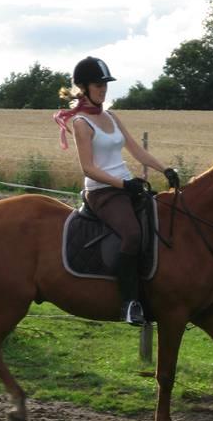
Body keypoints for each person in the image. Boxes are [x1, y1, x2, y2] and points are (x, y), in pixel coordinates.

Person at [54, 56, 180, 326]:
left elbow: (136, 151)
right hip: (102, 192)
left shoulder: (111, 116)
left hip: (125, 187)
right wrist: (123, 184)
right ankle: (129, 303)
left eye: (105, 84)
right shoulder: (80, 123)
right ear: (84, 88)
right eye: (98, 85)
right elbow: (88, 168)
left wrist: (165, 170)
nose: (103, 89)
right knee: (132, 234)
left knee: (158, 223)